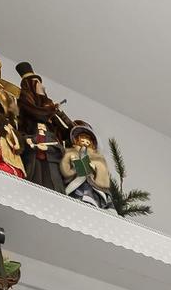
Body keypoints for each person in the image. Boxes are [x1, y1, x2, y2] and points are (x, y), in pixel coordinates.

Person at [15, 61, 70, 190]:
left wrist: (58, 113)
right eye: (38, 83)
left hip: (51, 153)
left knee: (54, 180)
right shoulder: (25, 105)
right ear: (31, 85)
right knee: (34, 178)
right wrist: (50, 110)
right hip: (33, 152)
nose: (43, 87)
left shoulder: (49, 108)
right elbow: (37, 115)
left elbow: (68, 131)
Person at [60, 121, 112, 208]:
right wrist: (74, 168)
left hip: (91, 182)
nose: (85, 142)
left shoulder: (96, 157)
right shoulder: (70, 153)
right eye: (82, 140)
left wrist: (94, 167)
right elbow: (65, 168)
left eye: (87, 141)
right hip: (76, 181)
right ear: (77, 140)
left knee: (92, 194)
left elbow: (102, 172)